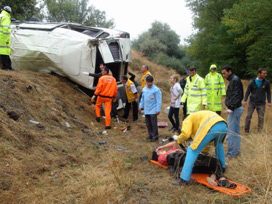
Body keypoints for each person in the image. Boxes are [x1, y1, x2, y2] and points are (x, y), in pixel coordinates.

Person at [156, 110, 228, 184]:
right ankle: (222, 167)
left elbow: (186, 134)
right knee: (219, 145)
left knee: (192, 150)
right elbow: (203, 141)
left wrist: (179, 140)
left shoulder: (187, 119)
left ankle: (184, 179)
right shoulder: (198, 117)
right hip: (223, 125)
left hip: (211, 126)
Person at [221, 65, 243, 158]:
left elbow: (237, 95)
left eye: (224, 73)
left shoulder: (235, 80)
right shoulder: (233, 79)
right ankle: (235, 152)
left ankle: (231, 154)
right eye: (222, 73)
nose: (223, 75)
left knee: (231, 132)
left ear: (229, 71)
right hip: (235, 109)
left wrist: (231, 108)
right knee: (235, 132)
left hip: (234, 110)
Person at [243, 68, 271, 133]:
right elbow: (247, 91)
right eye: (264, 73)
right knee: (248, 116)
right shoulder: (252, 82)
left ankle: (260, 131)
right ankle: (246, 131)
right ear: (259, 73)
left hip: (261, 103)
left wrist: (269, 102)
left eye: (266, 73)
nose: (265, 75)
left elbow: (269, 93)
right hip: (252, 102)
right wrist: (245, 100)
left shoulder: (266, 82)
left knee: (261, 117)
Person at [139, 75, 162, 142]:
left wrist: (158, 109)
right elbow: (142, 99)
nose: (149, 84)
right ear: (146, 82)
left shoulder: (156, 90)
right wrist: (141, 106)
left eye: (150, 82)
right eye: (148, 82)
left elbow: (159, 100)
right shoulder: (144, 89)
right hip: (146, 109)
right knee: (148, 123)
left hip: (153, 109)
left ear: (152, 82)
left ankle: (155, 136)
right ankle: (150, 135)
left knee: (153, 123)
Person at [0, 6, 12, 70]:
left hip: (1, 36)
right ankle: (6, 67)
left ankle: (5, 66)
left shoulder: (1, 15)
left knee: (1, 51)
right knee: (4, 52)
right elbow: (5, 28)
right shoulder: (6, 17)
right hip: (3, 37)